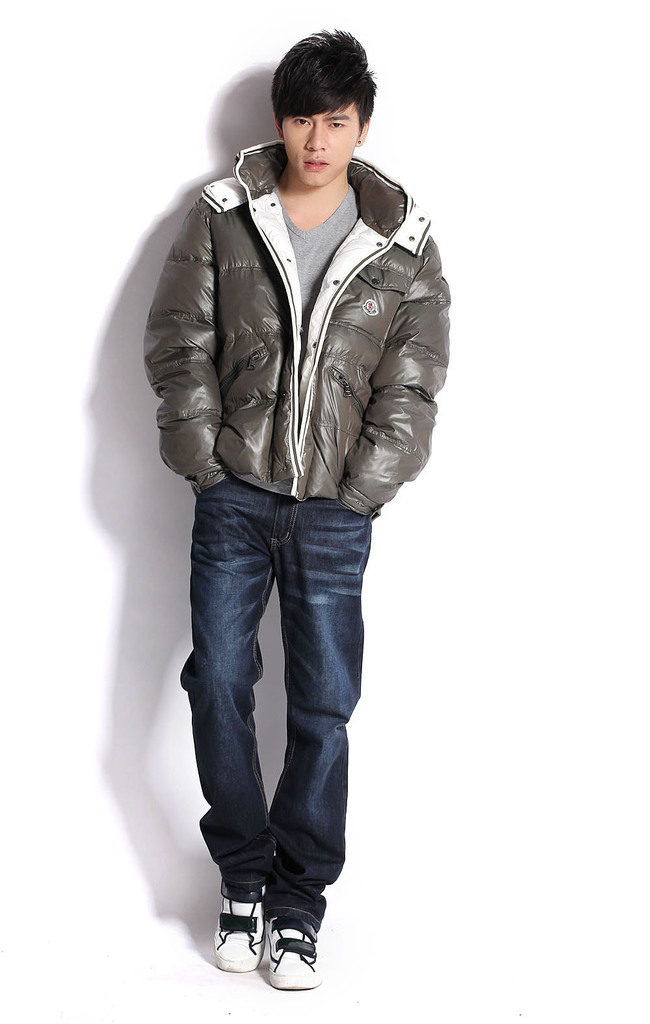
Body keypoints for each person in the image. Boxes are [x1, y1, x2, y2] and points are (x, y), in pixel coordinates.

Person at [144, 29, 450, 990]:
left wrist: (362, 490)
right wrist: (203, 459)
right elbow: (178, 337)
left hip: (333, 514)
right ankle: (242, 875)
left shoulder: (404, 241)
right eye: (303, 118)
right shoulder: (223, 213)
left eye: (338, 121)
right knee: (217, 682)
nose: (318, 139)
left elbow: (413, 381)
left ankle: (298, 904)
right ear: (280, 121)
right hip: (234, 496)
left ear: (363, 126)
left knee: (323, 707)